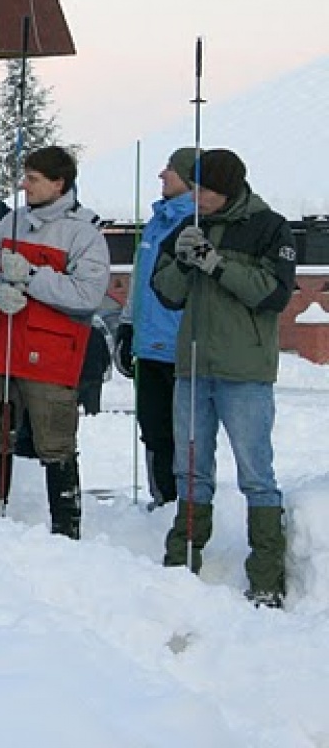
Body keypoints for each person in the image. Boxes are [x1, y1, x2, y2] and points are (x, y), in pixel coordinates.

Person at [151, 149, 294, 608]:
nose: (197, 197)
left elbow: (272, 294)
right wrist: (184, 262)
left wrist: (217, 263)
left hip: (245, 370)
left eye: (205, 190)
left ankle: (267, 575)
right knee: (190, 468)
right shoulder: (187, 225)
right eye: (194, 188)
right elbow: (165, 293)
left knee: (256, 472)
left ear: (227, 190)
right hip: (194, 366)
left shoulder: (270, 226)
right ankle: (182, 561)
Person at [0, 145, 109, 538]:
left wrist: (31, 276)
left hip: (50, 354)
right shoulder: (12, 222)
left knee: (55, 441)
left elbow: (87, 294)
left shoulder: (83, 233)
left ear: (58, 183)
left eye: (32, 178)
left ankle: (66, 527)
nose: (23, 185)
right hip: (2, 348)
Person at [116, 147, 197, 508]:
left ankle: (188, 507)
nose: (161, 175)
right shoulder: (157, 220)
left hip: (180, 347)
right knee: (153, 431)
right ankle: (161, 501)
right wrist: (128, 325)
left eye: (170, 169)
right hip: (149, 348)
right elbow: (140, 279)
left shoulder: (196, 223)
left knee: (186, 435)